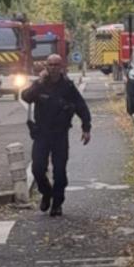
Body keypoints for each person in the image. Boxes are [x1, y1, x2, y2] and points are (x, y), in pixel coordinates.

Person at [21, 53, 92, 217]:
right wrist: (38, 83)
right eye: (50, 65)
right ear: (46, 67)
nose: (53, 68)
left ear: (61, 67)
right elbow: (25, 96)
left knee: (60, 172)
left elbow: (81, 106)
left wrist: (86, 128)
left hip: (60, 134)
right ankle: (46, 192)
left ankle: (57, 203)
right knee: (37, 169)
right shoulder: (40, 84)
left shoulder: (67, 86)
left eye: (56, 65)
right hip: (41, 134)